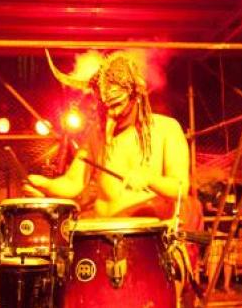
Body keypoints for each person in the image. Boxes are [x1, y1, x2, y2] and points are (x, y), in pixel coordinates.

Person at [25, 50, 190, 219]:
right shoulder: (97, 134)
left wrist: (149, 179)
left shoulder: (167, 129)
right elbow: (73, 182)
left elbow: (180, 189)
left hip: (151, 232)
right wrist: (45, 185)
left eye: (117, 104)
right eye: (105, 106)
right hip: (104, 230)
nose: (111, 113)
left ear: (136, 96)